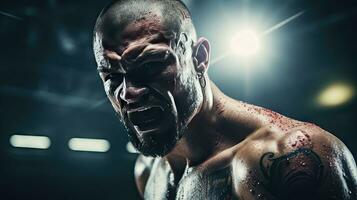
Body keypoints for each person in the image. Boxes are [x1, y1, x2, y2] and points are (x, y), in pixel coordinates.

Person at [92, 0, 357, 199]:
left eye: (149, 66)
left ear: (199, 58)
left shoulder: (290, 157)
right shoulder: (149, 170)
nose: (128, 93)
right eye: (112, 78)